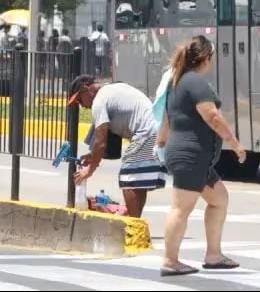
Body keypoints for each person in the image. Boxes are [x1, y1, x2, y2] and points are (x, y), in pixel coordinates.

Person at [157, 35, 246, 276]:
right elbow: (212, 116)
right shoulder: (194, 82)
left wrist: (161, 143)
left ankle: (214, 255)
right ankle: (170, 260)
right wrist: (234, 143)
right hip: (191, 156)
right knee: (180, 208)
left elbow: (168, 118)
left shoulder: (177, 82)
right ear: (205, 58)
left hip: (193, 157)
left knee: (219, 199)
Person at [67, 75, 165, 218]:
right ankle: (135, 222)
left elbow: (101, 142)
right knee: (137, 181)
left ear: (86, 89)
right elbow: (102, 141)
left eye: (79, 100)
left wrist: (89, 170)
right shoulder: (110, 89)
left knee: (128, 180)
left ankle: (133, 224)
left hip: (146, 133)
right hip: (157, 130)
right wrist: (92, 156)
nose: (82, 106)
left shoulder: (99, 101)